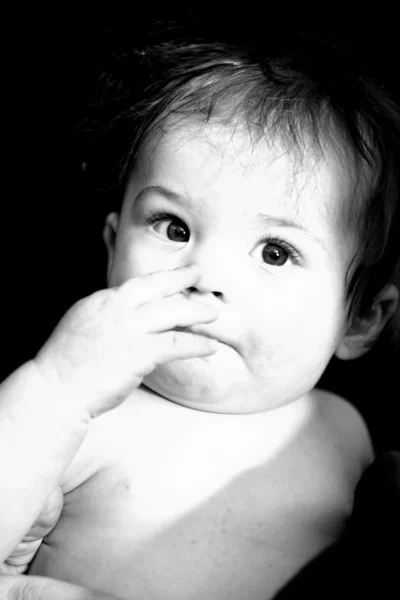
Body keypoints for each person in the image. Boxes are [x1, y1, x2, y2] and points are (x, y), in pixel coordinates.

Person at [1, 31, 399, 600]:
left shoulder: (345, 433)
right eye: (174, 227)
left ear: (360, 318)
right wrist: (54, 389)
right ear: (112, 247)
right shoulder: (80, 418)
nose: (207, 277)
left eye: (276, 252)